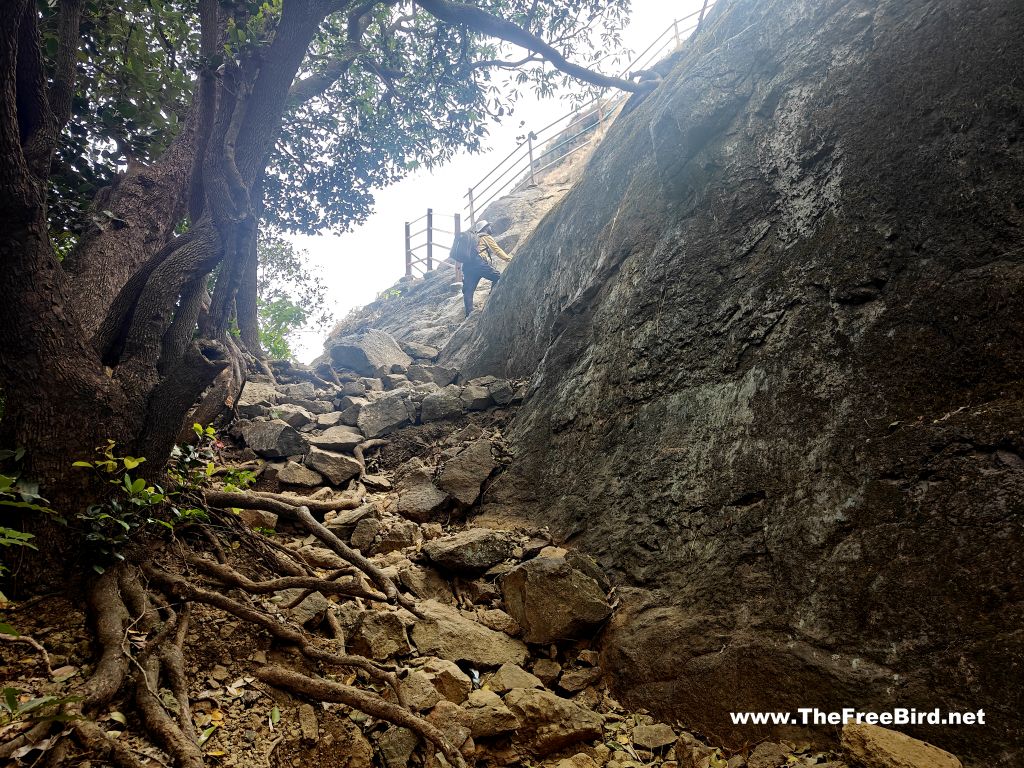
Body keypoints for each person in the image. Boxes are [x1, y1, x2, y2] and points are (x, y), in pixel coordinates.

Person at [453, 220, 511, 317]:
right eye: (489, 226)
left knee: (468, 290)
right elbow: (497, 250)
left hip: (466, 266)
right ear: (485, 228)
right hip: (478, 263)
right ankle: (491, 301)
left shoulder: (472, 239)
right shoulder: (485, 237)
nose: (490, 228)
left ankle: (469, 315)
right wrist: (509, 259)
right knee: (498, 277)